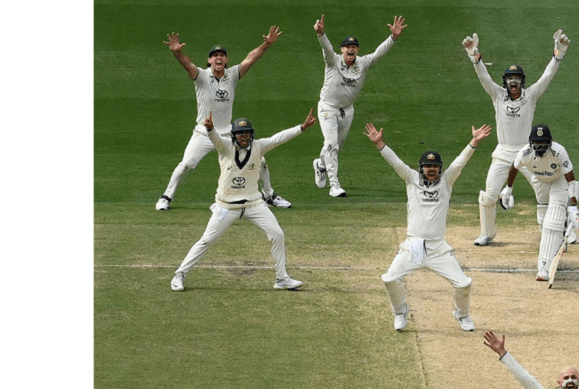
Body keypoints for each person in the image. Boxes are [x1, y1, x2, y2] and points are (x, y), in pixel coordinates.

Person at [170, 109, 317, 292]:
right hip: (226, 207)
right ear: (234, 136)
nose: (244, 137)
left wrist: (301, 128)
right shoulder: (225, 147)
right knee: (206, 241)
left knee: (277, 234)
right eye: (241, 134)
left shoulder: (258, 147)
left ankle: (281, 278)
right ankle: (180, 274)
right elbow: (215, 138)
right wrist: (210, 129)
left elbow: (278, 138)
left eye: (247, 133)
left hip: (254, 205)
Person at [365, 121, 491, 331]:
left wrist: (474, 142)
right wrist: (380, 144)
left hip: (437, 248)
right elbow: (396, 163)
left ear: (440, 169)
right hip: (414, 246)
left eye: (435, 167)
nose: (431, 170)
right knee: (389, 279)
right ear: (421, 168)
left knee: (463, 284)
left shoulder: (447, 181)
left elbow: (460, 162)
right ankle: (401, 311)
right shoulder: (411, 179)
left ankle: (462, 315)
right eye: (428, 167)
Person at [157, 29, 292, 211]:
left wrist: (267, 44)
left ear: (226, 60)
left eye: (222, 55)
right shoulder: (202, 76)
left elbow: (251, 58)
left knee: (260, 160)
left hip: (228, 134)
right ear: (209, 60)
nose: (218, 58)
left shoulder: (232, 75)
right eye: (215, 56)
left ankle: (269, 195)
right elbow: (187, 64)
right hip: (204, 132)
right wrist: (176, 52)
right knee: (186, 164)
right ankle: (166, 197)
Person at [461, 30, 571, 246]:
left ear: (522, 82)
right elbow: (483, 76)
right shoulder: (497, 95)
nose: (514, 82)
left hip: (527, 153)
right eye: (510, 79)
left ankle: (554, 231)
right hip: (503, 152)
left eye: (517, 79)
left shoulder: (530, 95)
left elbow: (546, 76)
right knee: (488, 195)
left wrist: (558, 55)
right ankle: (487, 233)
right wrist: (473, 55)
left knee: (545, 194)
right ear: (505, 82)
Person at [312, 14, 408, 198]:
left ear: (357, 50)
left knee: (337, 147)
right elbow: (326, 49)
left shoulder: (362, 63)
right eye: (348, 47)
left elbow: (379, 53)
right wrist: (321, 34)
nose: (351, 50)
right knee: (331, 144)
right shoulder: (332, 60)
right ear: (342, 49)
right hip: (328, 108)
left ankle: (321, 165)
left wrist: (393, 37)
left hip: (347, 110)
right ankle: (334, 186)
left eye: (354, 47)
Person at [501, 124, 579, 280]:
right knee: (543, 219)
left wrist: (574, 206)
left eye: (544, 143)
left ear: (549, 142)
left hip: (558, 181)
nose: (540, 146)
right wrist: (508, 189)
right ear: (531, 143)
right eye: (537, 143)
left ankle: (544, 268)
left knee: (552, 223)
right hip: (539, 181)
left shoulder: (558, 152)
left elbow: (571, 179)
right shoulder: (525, 153)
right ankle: (560, 236)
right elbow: (514, 168)